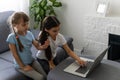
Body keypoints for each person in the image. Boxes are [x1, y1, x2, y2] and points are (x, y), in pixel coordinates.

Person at [6, 12, 49, 80]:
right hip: (20, 65)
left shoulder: (29, 34)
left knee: (45, 75)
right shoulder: (12, 37)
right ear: (15, 25)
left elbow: (38, 47)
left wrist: (44, 46)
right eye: (24, 25)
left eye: (27, 23)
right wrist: (23, 67)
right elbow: (15, 55)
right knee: (40, 78)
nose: (27, 26)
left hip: (31, 60)